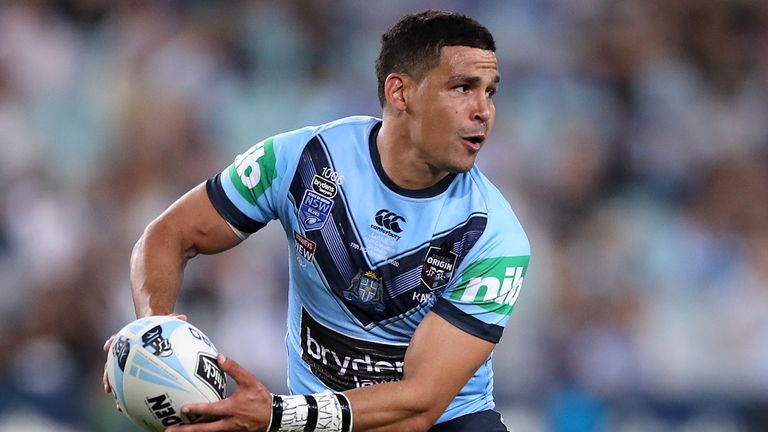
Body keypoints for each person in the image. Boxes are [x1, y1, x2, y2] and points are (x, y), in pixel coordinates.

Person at [105, 9, 530, 432]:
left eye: (490, 92)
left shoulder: (494, 236)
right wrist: (153, 333)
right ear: (400, 93)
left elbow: (419, 406)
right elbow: (167, 234)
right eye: (462, 88)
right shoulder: (302, 161)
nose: (484, 111)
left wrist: (276, 415)